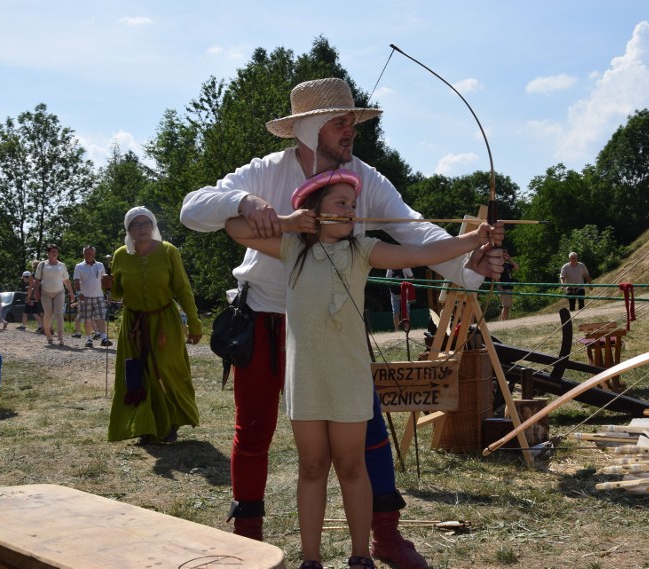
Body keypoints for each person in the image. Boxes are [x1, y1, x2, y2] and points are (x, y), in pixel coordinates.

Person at [180, 77, 504, 569]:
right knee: (254, 430)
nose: (350, 129)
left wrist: (468, 265)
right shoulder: (265, 173)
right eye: (338, 121)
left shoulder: (364, 180)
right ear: (309, 130)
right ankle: (248, 541)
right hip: (265, 314)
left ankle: (384, 538)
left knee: (367, 430)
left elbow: (413, 229)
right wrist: (244, 203)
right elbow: (192, 209)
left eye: (352, 119)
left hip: (333, 325)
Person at [226, 168, 496, 569]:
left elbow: (421, 254)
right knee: (312, 467)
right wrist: (287, 222)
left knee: (352, 467)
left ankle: (359, 557)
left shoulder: (363, 249)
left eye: (353, 205)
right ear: (314, 211)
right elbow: (235, 228)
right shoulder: (290, 248)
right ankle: (311, 560)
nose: (351, 211)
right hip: (306, 380)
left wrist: (474, 239)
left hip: (349, 378)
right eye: (341, 204)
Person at [106, 207, 202, 444]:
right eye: (136, 225)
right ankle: (146, 425)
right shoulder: (121, 255)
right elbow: (118, 293)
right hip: (133, 324)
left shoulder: (168, 251)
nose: (142, 229)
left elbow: (182, 289)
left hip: (164, 322)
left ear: (153, 225)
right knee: (139, 374)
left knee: (168, 371)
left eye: (146, 223)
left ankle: (171, 422)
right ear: (128, 230)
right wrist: (108, 285)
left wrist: (194, 322)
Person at [34, 244, 75, 346]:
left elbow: (66, 280)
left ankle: (60, 337)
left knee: (59, 314)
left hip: (59, 292)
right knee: (48, 315)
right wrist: (36, 292)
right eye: (52, 251)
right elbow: (37, 279)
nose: (54, 253)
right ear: (48, 253)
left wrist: (71, 293)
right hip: (45, 293)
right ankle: (48, 333)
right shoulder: (42, 265)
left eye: (56, 251)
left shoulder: (61, 265)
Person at [73, 245, 112, 348]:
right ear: (83, 254)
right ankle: (89, 339)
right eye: (86, 253)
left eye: (89, 253)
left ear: (94, 254)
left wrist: (108, 292)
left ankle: (104, 338)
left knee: (100, 317)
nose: (87, 255)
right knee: (87, 319)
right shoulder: (79, 266)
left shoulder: (100, 265)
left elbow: (104, 280)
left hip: (99, 295)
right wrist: (79, 293)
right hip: (84, 296)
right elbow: (76, 281)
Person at [498, 251, 519, 321]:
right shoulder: (499, 265)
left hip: (509, 286)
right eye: (504, 253)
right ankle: (504, 321)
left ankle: (505, 320)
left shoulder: (507, 264)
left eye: (506, 253)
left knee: (508, 306)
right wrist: (500, 287)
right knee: (505, 305)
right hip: (503, 287)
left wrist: (510, 259)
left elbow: (517, 267)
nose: (505, 254)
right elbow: (496, 278)